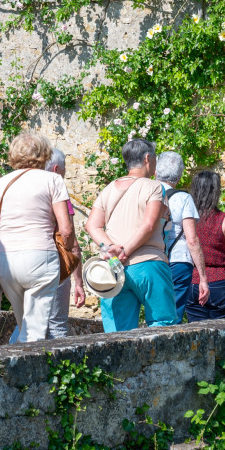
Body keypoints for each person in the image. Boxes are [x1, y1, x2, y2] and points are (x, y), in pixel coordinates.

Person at [0, 132, 77, 342]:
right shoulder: (53, 180)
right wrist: (67, 250)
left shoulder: (2, 182)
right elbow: (66, 229)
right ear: (44, 154)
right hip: (40, 255)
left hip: (6, 261)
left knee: (25, 327)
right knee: (34, 333)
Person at [85, 138, 179, 331]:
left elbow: (92, 226)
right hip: (148, 263)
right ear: (147, 158)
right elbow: (149, 224)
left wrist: (110, 249)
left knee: (117, 333)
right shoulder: (154, 187)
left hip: (114, 268)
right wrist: (124, 250)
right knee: (163, 325)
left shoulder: (108, 188)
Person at [184, 170, 225, 320]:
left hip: (194, 283)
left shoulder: (187, 220)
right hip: (223, 285)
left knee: (197, 336)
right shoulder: (224, 220)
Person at [43, 148, 88, 339]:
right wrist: (78, 281)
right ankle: (58, 369)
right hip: (54, 261)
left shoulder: (23, 185)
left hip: (20, 260)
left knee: (27, 322)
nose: (65, 175)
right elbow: (69, 236)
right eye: (64, 170)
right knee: (57, 325)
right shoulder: (57, 190)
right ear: (55, 169)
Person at [158, 152, 208, 320]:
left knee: (156, 312)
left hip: (153, 258)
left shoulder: (146, 193)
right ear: (179, 176)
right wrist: (202, 277)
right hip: (178, 261)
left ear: (156, 171)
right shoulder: (183, 198)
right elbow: (192, 240)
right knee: (174, 313)